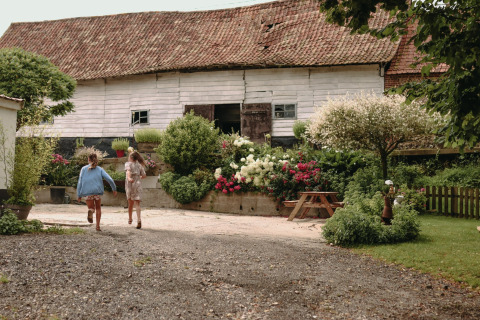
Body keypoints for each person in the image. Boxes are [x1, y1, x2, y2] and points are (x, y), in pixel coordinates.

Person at [77, 152, 117, 231]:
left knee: (91, 207)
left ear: (88, 160)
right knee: (98, 208)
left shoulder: (83, 169)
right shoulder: (100, 169)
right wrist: (114, 189)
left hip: (87, 191)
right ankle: (98, 226)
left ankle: (91, 211)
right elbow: (109, 179)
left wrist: (79, 194)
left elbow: (80, 182)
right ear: (96, 160)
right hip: (97, 192)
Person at [125, 151, 146, 229]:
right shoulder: (139, 165)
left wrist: (129, 178)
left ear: (131, 158)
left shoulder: (128, 164)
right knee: (137, 204)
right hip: (138, 184)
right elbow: (144, 175)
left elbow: (128, 171)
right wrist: (138, 177)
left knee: (130, 203)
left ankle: (130, 219)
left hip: (130, 184)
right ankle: (139, 220)